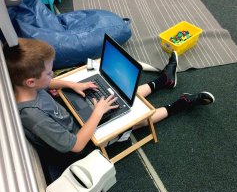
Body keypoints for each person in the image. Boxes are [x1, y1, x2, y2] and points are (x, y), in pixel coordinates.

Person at [3, 38, 215, 158]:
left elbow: (46, 84)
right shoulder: (34, 117)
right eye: (49, 72)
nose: (52, 76)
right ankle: (180, 104)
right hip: (84, 140)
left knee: (119, 96)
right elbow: (75, 145)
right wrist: (97, 113)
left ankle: (163, 82)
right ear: (31, 81)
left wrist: (70, 84)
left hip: (75, 117)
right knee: (134, 118)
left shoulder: (22, 86)